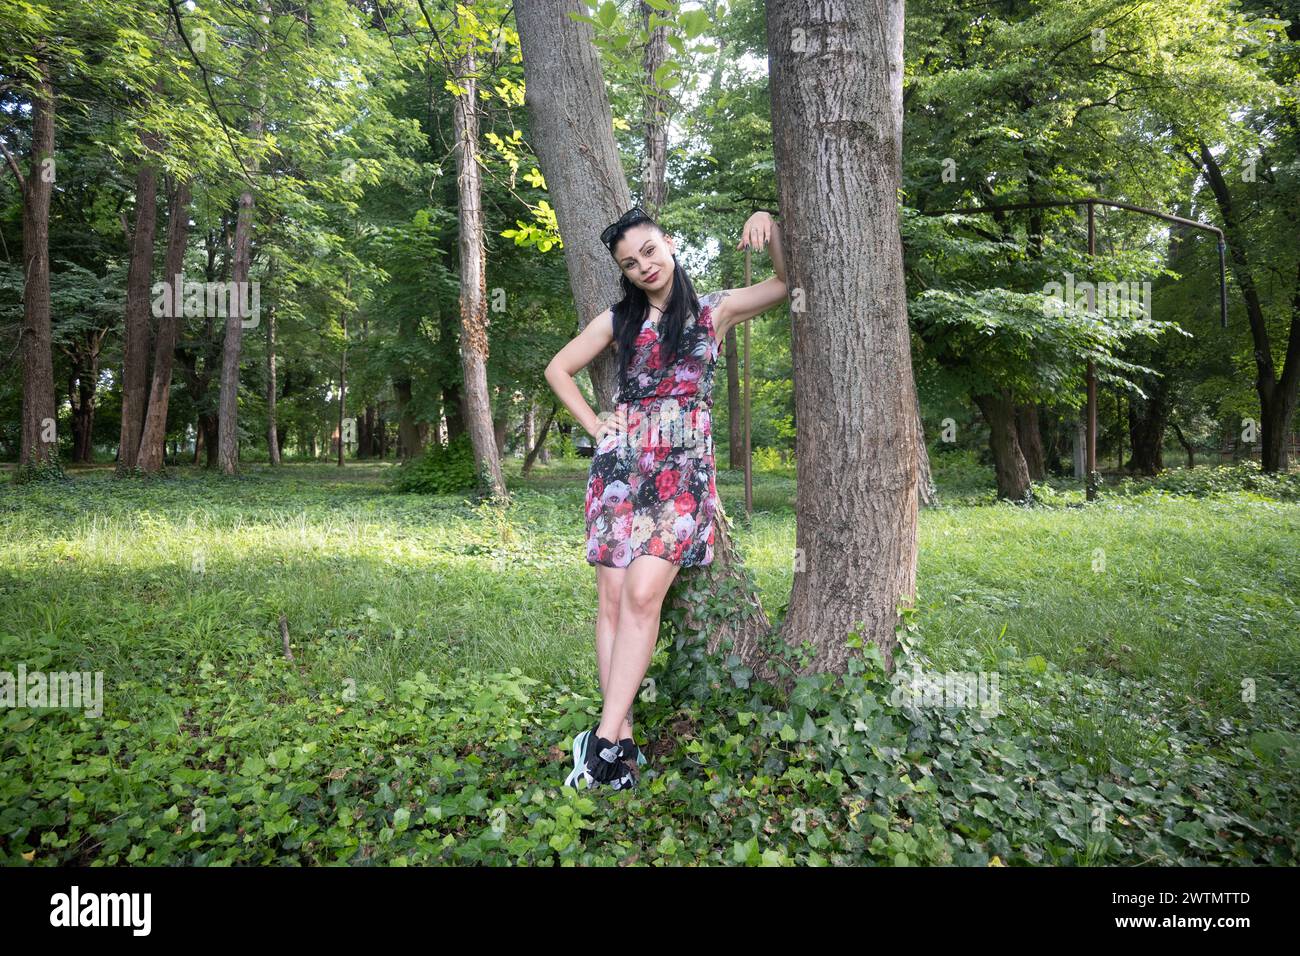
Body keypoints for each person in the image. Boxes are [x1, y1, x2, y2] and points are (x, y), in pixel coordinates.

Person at [544, 204, 789, 791]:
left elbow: (785, 284)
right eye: (630, 263)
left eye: (649, 251)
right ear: (623, 272)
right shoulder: (618, 319)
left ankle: (599, 744)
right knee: (610, 602)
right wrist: (596, 427)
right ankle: (621, 745)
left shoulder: (715, 311)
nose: (643, 266)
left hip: (681, 474)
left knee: (643, 593)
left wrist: (771, 224)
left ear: (669, 243)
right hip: (622, 469)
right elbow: (558, 369)